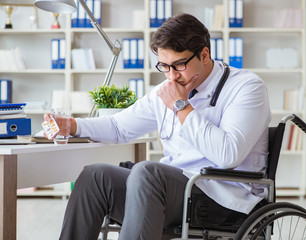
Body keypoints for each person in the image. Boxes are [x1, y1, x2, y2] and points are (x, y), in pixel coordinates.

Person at [46, 13, 271, 240]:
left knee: (147, 172)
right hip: (173, 192)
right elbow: (118, 126)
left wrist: (181, 106)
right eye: (164, 66)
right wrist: (73, 126)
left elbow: (228, 154)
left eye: (179, 65)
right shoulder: (167, 90)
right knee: (94, 176)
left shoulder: (246, 87)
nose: (171, 76)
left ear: (204, 55)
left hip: (225, 200)